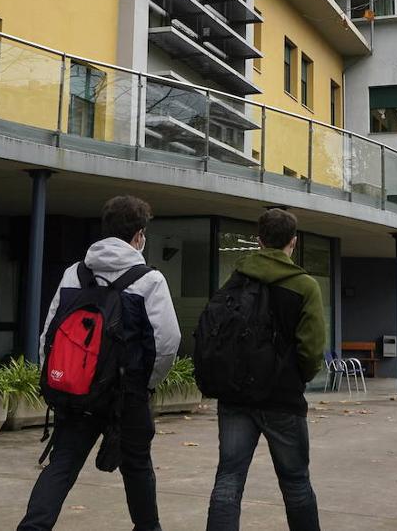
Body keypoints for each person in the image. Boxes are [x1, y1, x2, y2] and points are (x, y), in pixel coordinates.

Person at [17, 196, 180, 531]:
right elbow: (167, 343)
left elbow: (50, 332)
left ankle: (32, 528)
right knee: (137, 467)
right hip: (128, 392)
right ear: (138, 236)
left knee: (62, 463)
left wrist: (60, 380)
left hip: (78, 391)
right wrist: (147, 384)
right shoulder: (150, 280)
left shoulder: (74, 273)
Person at [205, 208, 326, 531]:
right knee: (296, 481)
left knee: (228, 479)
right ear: (293, 242)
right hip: (282, 398)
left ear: (259, 241)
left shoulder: (235, 278)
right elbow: (312, 350)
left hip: (235, 396)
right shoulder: (305, 286)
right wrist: (297, 377)